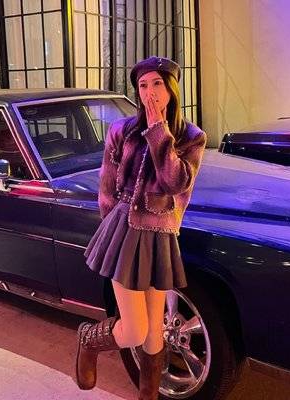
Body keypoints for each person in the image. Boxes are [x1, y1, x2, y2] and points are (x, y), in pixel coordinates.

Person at [76, 56, 207, 399]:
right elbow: (107, 188)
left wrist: (159, 130)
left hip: (160, 235)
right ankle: (89, 339)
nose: (150, 92)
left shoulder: (191, 137)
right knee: (134, 331)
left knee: (153, 333)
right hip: (124, 231)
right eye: (143, 85)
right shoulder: (121, 130)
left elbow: (176, 183)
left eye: (157, 84)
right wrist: (112, 233)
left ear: (172, 89)